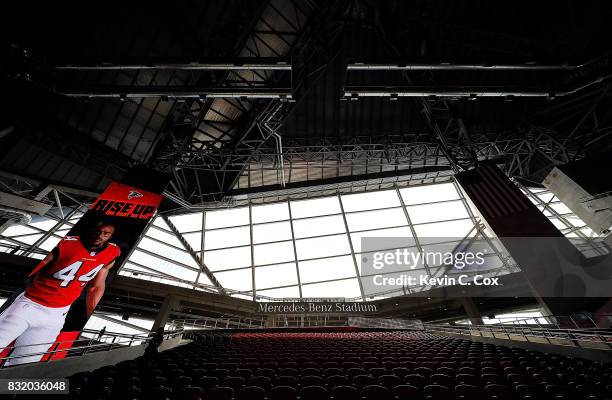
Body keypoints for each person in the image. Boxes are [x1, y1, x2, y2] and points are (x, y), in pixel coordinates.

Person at [0, 219, 120, 365]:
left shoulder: (112, 252)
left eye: (106, 233)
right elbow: (36, 268)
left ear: (111, 235)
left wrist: (89, 312)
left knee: (25, 363)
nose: (100, 236)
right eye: (97, 231)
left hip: (57, 314)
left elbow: (96, 286)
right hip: (30, 304)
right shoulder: (66, 244)